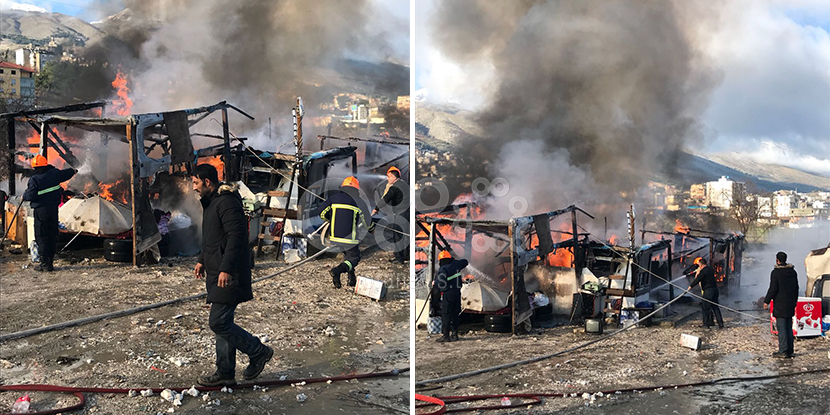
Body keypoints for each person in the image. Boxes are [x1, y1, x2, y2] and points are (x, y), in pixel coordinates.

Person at [192, 163, 273, 386]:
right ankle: (225, 374)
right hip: (217, 270)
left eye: (196, 183)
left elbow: (237, 237)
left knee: (218, 322)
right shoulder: (212, 202)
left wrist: (226, 268)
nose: (194, 188)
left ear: (207, 182)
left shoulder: (226, 202)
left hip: (229, 272)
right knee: (224, 322)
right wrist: (201, 260)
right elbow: (213, 237)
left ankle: (258, 351)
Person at [22, 155, 76, 272]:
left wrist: (24, 195)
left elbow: (30, 195)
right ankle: (50, 262)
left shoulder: (35, 179)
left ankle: (44, 264)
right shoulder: (54, 174)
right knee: (52, 235)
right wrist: (74, 170)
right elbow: (67, 173)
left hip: (41, 211)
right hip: (53, 210)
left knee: (42, 236)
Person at [320, 176, 369, 288]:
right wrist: (371, 229)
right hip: (349, 238)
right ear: (356, 190)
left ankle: (351, 278)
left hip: (334, 237)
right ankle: (337, 271)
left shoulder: (334, 198)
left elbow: (322, 214)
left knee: (348, 256)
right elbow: (367, 221)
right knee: (354, 258)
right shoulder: (359, 202)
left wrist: (331, 220)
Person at [764, 251, 799, 358]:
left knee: (782, 327)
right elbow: (796, 288)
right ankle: (790, 350)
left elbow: (773, 289)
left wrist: (766, 301)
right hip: (790, 303)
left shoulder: (776, 273)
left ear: (777, 260)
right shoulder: (793, 272)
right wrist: (794, 301)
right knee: (788, 327)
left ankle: (783, 351)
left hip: (780, 303)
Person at [372, 166, 408, 263]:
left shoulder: (395, 187)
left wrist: (376, 209)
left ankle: (399, 258)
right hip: (406, 213)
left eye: (388, 177)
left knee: (397, 236)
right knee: (405, 235)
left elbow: (385, 199)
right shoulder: (404, 184)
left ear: (393, 177)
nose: (387, 179)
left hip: (401, 214)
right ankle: (406, 256)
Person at [433, 250, 469, 342]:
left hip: (448, 294)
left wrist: (435, 283)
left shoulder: (443, 269)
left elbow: (441, 283)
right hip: (457, 292)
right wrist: (455, 261)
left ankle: (445, 336)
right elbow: (465, 261)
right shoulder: (456, 264)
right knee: (455, 314)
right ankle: (454, 334)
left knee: (446, 314)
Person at [687, 257, 724, 328]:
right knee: (715, 307)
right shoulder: (711, 269)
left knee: (705, 307)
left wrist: (690, 286)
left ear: (700, 265)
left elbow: (698, 279)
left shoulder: (703, 271)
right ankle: (720, 324)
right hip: (715, 290)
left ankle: (706, 324)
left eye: (698, 265)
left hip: (708, 291)